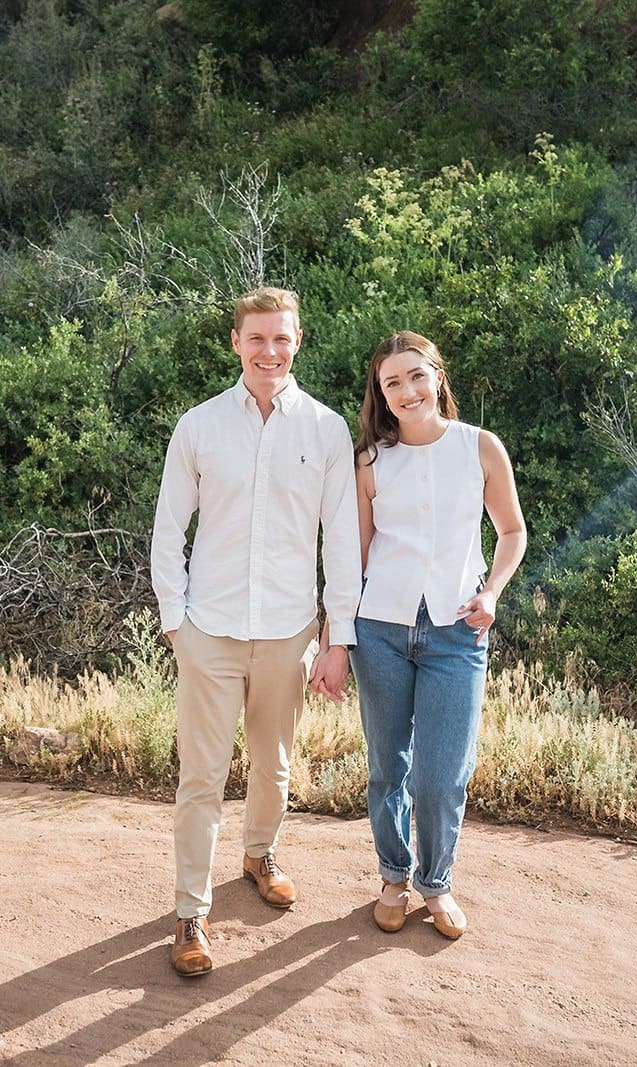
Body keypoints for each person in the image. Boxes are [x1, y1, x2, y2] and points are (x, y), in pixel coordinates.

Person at [151, 286, 361, 977]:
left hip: (288, 630)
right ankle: (190, 913)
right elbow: (168, 527)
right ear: (236, 343)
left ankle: (259, 854)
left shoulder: (326, 429)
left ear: (297, 342)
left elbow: (342, 541)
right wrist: (176, 621)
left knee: (273, 766)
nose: (270, 351)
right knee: (201, 776)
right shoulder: (199, 425)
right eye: (257, 338)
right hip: (208, 629)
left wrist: (337, 637)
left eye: (282, 338)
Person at [346, 330, 526, 940]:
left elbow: (512, 532)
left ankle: (436, 881)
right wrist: (336, 631)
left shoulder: (480, 447)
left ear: (438, 377)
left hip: (457, 632)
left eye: (416, 376)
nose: (407, 391)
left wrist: (492, 592)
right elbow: (356, 555)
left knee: (442, 776)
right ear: (381, 393)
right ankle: (394, 877)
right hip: (380, 630)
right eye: (392, 382)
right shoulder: (370, 462)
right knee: (386, 768)